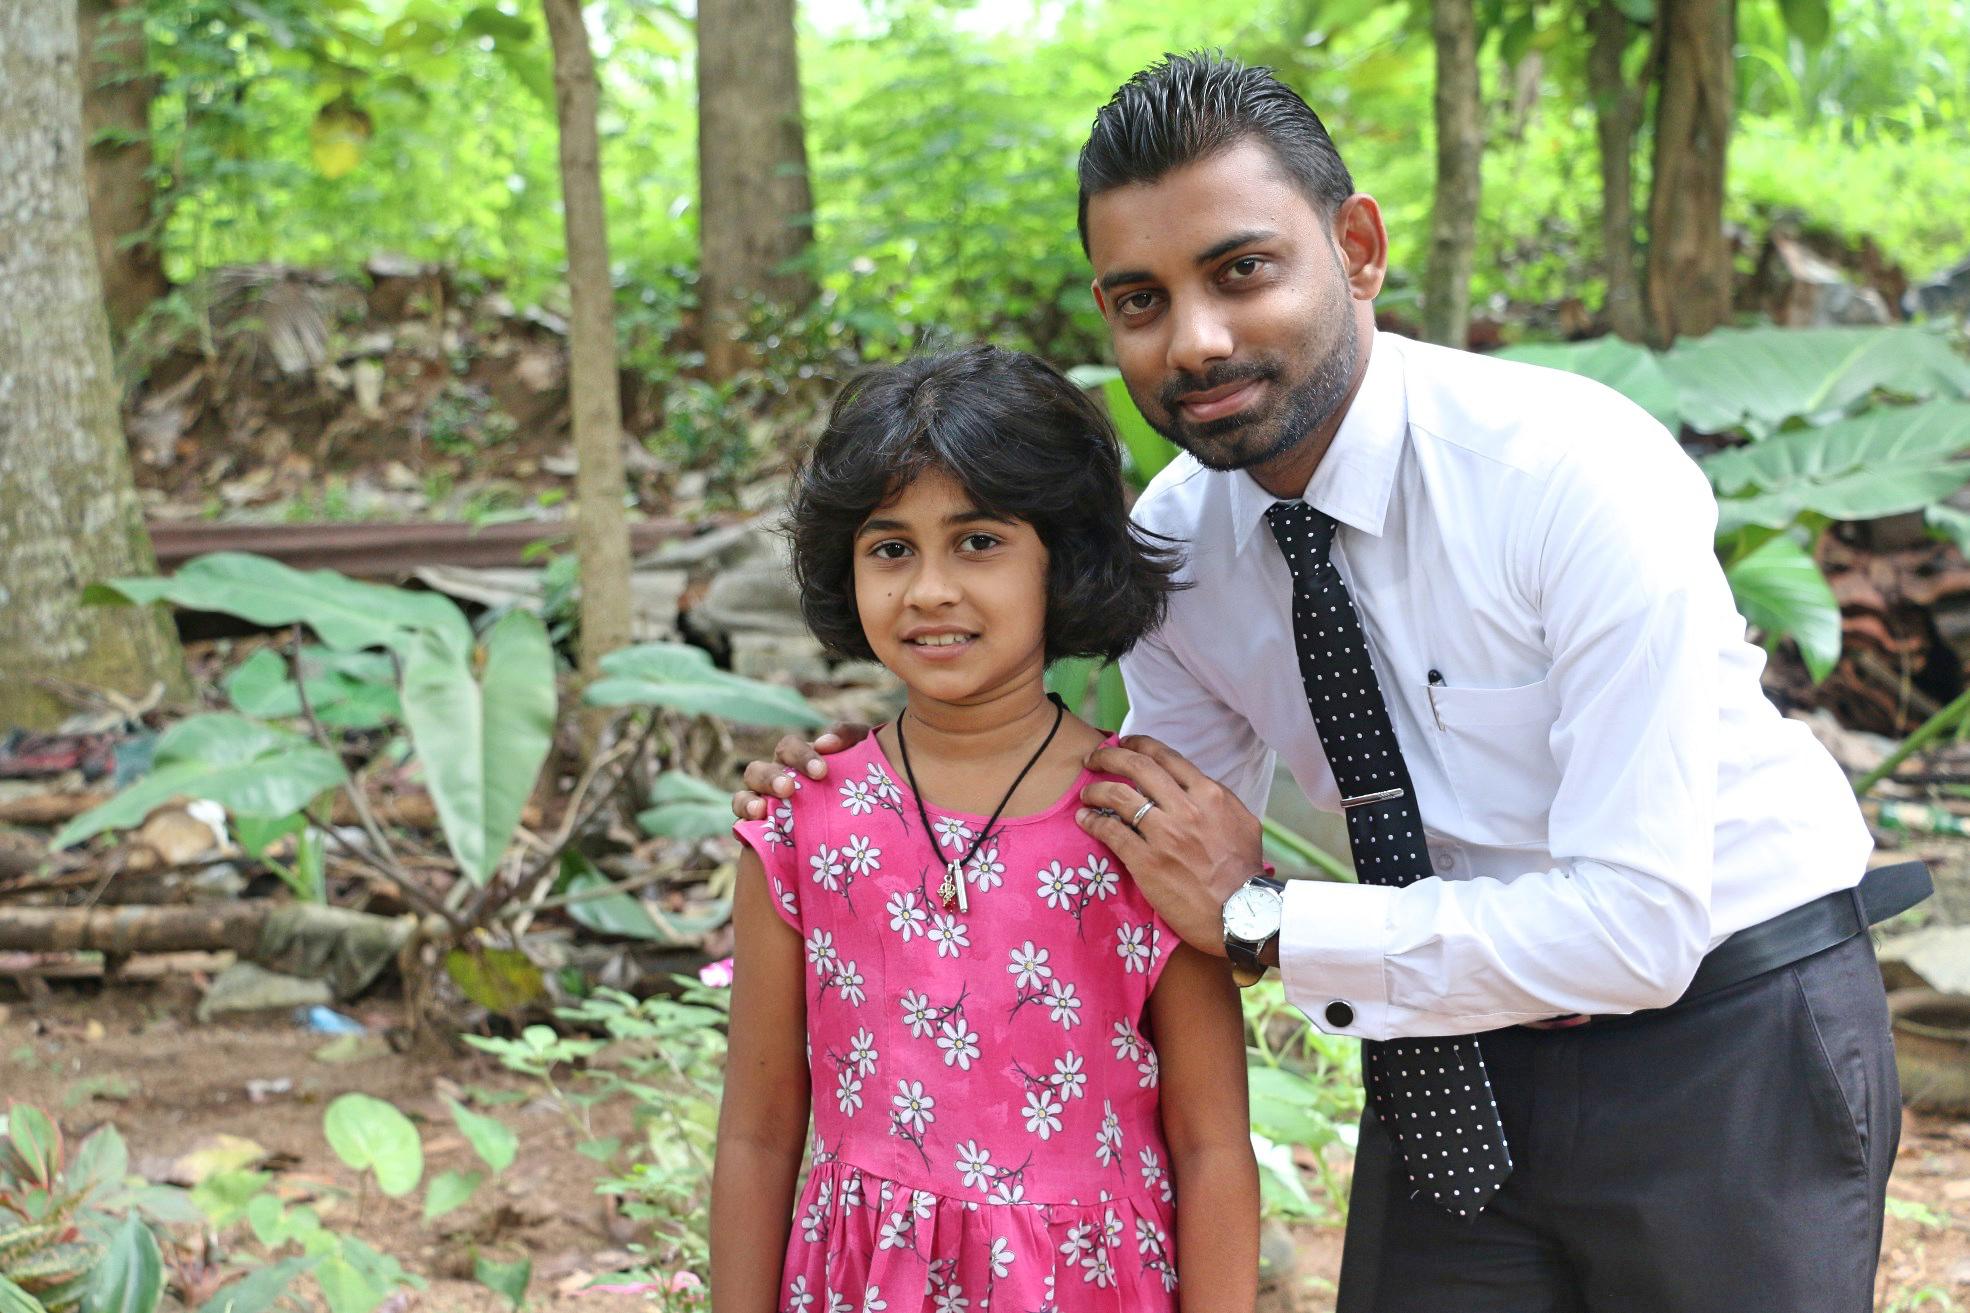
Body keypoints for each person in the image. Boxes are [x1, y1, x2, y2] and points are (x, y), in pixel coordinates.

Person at [734, 52, 1930, 1313]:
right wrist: (871, 789)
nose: (1195, 340)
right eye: (1140, 300)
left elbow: (1637, 926)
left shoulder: (1564, 473)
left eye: (1240, 271)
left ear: (1355, 248)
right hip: (1443, 1055)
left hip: (1727, 1029)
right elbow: (1144, 841)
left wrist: (1264, 918)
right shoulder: (1179, 546)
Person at [708, 344, 1259, 1313]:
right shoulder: (802, 825)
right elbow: (756, 1132)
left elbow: (1211, 1143)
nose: (928, 589)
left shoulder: (1143, 827)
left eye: (977, 542)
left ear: (1063, 558)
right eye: (890, 548)